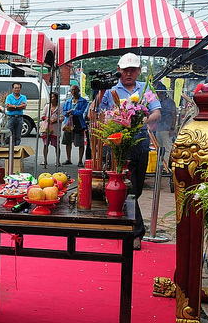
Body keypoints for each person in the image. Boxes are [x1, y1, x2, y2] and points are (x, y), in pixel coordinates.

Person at [98, 53, 160, 251]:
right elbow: (103, 117)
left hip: (141, 143)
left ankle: (125, 222)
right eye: (125, 70)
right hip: (119, 145)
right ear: (119, 70)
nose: (129, 73)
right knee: (130, 189)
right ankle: (136, 233)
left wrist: (140, 121)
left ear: (138, 71)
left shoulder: (145, 88)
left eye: (133, 70)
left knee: (137, 189)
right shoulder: (111, 91)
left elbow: (157, 111)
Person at [61, 85, 89, 166]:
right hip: (68, 124)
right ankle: (68, 159)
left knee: (80, 143)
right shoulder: (68, 101)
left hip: (79, 124)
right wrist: (67, 113)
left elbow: (83, 112)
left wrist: (73, 112)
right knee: (67, 142)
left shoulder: (83, 101)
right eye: (72, 90)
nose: (73, 92)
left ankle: (80, 160)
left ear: (78, 90)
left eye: (75, 90)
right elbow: (64, 111)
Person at [154, 82, 177, 164]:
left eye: (158, 91)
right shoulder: (157, 102)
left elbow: (174, 115)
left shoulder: (170, 102)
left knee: (167, 149)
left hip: (167, 129)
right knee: (160, 149)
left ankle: (165, 167)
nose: (157, 93)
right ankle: (160, 166)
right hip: (159, 129)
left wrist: (172, 128)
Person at [40, 92, 60, 166]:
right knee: (45, 144)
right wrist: (47, 118)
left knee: (56, 145)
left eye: (53, 97)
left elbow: (62, 117)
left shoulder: (59, 107)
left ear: (56, 98)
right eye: (50, 97)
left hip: (55, 129)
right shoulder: (47, 107)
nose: (51, 98)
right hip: (46, 129)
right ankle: (45, 160)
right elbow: (42, 116)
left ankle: (57, 161)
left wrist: (55, 120)